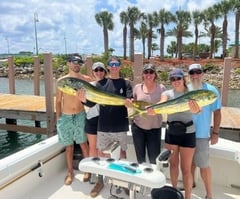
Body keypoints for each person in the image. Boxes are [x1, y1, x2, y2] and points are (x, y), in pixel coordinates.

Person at [79, 56, 132, 197]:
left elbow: (130, 99)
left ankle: (122, 181)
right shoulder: (100, 84)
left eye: (116, 64)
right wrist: (83, 100)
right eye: (111, 64)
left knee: (122, 154)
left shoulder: (125, 83)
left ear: (120, 66)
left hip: (120, 125)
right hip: (103, 126)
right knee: (101, 155)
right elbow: (91, 104)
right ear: (108, 67)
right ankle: (100, 181)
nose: (114, 66)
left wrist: (130, 103)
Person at [148, 68, 200, 199]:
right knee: (173, 165)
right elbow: (162, 102)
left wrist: (197, 110)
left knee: (186, 169)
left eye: (178, 78)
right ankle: (174, 192)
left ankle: (187, 196)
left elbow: (199, 110)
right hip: (171, 133)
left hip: (188, 133)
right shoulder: (167, 93)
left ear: (183, 79)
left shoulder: (192, 93)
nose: (176, 81)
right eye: (173, 79)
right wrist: (153, 108)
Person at [55, 53, 90, 185]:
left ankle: (87, 170)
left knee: (83, 145)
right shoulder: (62, 81)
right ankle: (70, 172)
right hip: (66, 116)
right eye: (74, 62)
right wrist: (58, 119)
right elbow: (58, 101)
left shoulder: (86, 79)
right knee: (68, 147)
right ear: (68, 63)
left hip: (80, 115)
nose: (76, 65)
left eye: (79, 62)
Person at [188, 63, 222, 199]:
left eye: (198, 72)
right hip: (186, 133)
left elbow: (218, 113)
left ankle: (209, 194)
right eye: (192, 73)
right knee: (189, 164)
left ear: (202, 74)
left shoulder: (211, 90)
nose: (195, 75)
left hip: (202, 134)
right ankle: (189, 188)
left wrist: (215, 133)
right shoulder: (185, 89)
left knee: (203, 165)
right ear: (189, 75)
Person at [131, 63, 166, 164]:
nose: (148, 74)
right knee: (140, 159)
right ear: (143, 74)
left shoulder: (162, 88)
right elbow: (134, 104)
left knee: (154, 160)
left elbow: (164, 106)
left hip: (154, 129)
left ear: (155, 74)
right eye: (146, 72)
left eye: (151, 72)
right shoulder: (137, 87)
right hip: (138, 128)